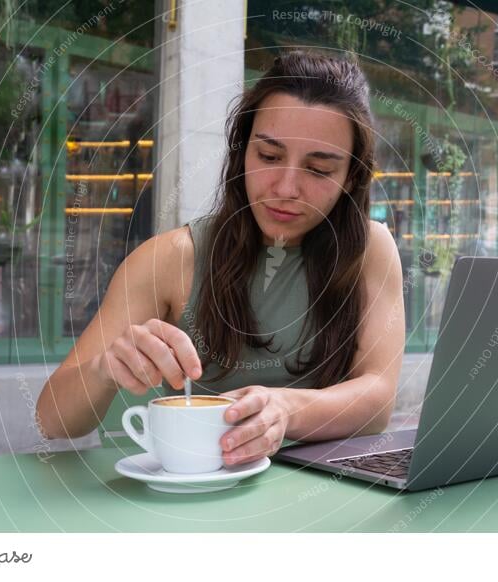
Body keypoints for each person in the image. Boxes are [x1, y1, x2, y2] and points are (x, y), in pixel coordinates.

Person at [36, 50, 405, 467]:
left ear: (351, 176)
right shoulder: (170, 259)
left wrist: (284, 409)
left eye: (319, 169)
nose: (286, 187)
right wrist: (104, 369)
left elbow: (378, 399)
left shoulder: (370, 250)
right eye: (268, 156)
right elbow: (50, 421)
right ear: (241, 151)